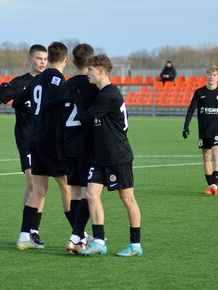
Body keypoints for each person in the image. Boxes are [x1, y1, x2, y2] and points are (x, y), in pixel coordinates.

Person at [76, 54, 142, 257]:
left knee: (127, 198)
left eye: (90, 70)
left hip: (118, 155)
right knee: (91, 195)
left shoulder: (109, 94)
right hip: (100, 156)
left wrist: (74, 97)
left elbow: (85, 118)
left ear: (101, 71)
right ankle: (98, 242)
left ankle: (135, 245)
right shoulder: (102, 94)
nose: (87, 73)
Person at [0, 44, 48, 247]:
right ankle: (29, 230)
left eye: (45, 59)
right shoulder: (19, 82)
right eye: (39, 58)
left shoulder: (50, 82)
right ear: (30, 59)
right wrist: (0, 93)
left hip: (45, 141)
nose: (42, 62)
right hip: (26, 140)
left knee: (41, 187)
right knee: (33, 184)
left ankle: (34, 230)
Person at [13, 41, 71, 250]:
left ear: (50, 58)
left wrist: (33, 113)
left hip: (34, 139)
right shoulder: (57, 78)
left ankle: (24, 236)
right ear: (66, 60)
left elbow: (18, 101)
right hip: (49, 141)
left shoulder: (37, 80)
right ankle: (79, 235)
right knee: (66, 187)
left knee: (39, 189)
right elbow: (60, 102)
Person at [58, 43, 99, 254]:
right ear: (92, 61)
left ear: (73, 62)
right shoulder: (93, 85)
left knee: (74, 192)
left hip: (67, 143)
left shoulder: (66, 84)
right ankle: (77, 237)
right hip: (86, 145)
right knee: (86, 193)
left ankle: (79, 238)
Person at [183, 65, 218, 196]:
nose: (212, 77)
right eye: (210, 74)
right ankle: (210, 186)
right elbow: (191, 110)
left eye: (214, 75)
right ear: (206, 76)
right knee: (206, 157)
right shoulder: (199, 93)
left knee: (216, 156)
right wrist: (185, 126)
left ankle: (214, 185)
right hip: (204, 130)